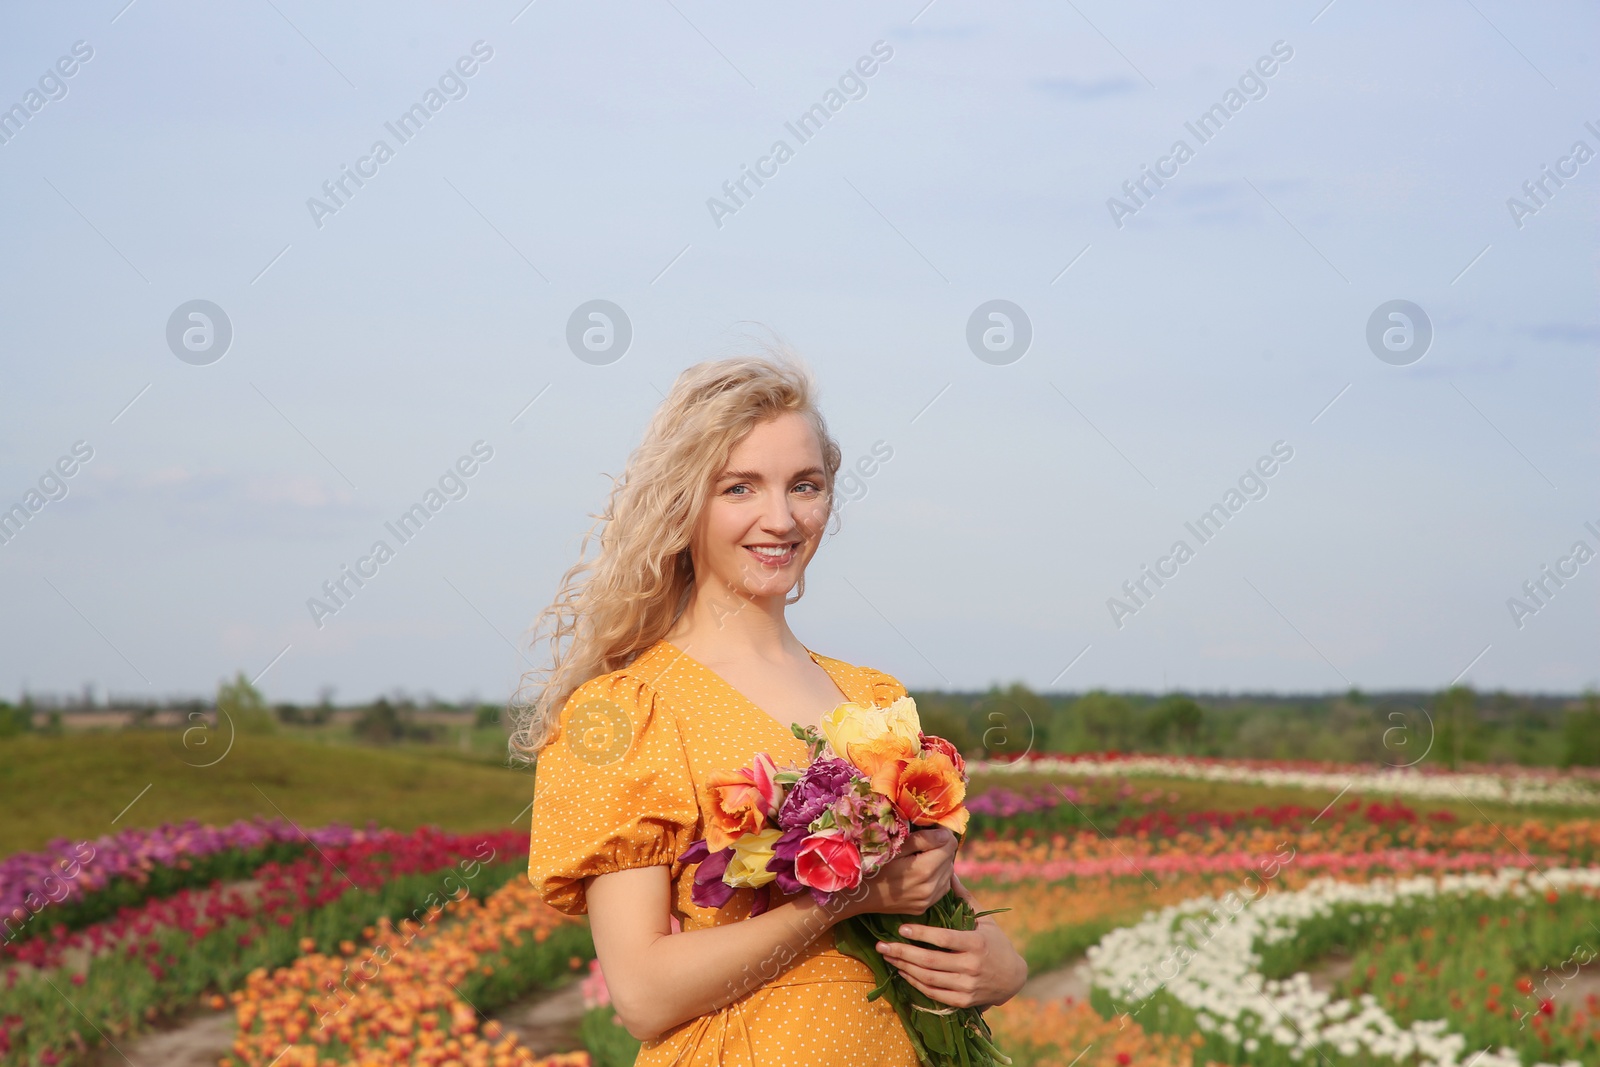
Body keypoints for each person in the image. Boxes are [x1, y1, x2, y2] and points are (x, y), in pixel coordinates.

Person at [516, 354, 1027, 1064]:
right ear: (683, 501)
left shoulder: (871, 698)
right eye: (740, 487)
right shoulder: (627, 711)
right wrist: (840, 897)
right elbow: (641, 993)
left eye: (805, 485)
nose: (781, 518)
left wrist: (1000, 967)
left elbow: (930, 903)